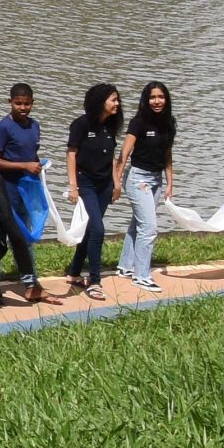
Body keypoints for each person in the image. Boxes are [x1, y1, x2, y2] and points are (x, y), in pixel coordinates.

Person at [0, 83, 46, 303]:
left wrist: (38, 166)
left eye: (27, 103)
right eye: (18, 103)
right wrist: (24, 165)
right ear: (9, 102)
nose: (23, 107)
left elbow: (31, 156)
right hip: (3, 191)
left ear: (33, 103)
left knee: (25, 238)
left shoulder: (35, 126)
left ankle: (31, 282)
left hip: (26, 192)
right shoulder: (2, 128)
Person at [115, 81, 176, 290]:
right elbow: (124, 154)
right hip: (137, 178)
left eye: (160, 97)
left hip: (156, 179)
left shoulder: (169, 123)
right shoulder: (138, 122)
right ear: (146, 100)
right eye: (152, 97)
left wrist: (170, 182)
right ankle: (142, 276)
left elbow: (167, 154)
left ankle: (126, 266)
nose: (156, 101)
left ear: (166, 99)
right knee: (149, 228)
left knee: (138, 224)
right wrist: (116, 182)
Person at [62, 86, 121, 300]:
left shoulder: (110, 126)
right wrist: (73, 186)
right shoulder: (81, 124)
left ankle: (74, 272)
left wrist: (116, 184)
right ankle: (94, 281)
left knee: (90, 230)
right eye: (113, 100)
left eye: (117, 100)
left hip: (104, 186)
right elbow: (71, 155)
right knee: (98, 229)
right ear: (100, 101)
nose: (117, 104)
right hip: (86, 184)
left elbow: (112, 157)